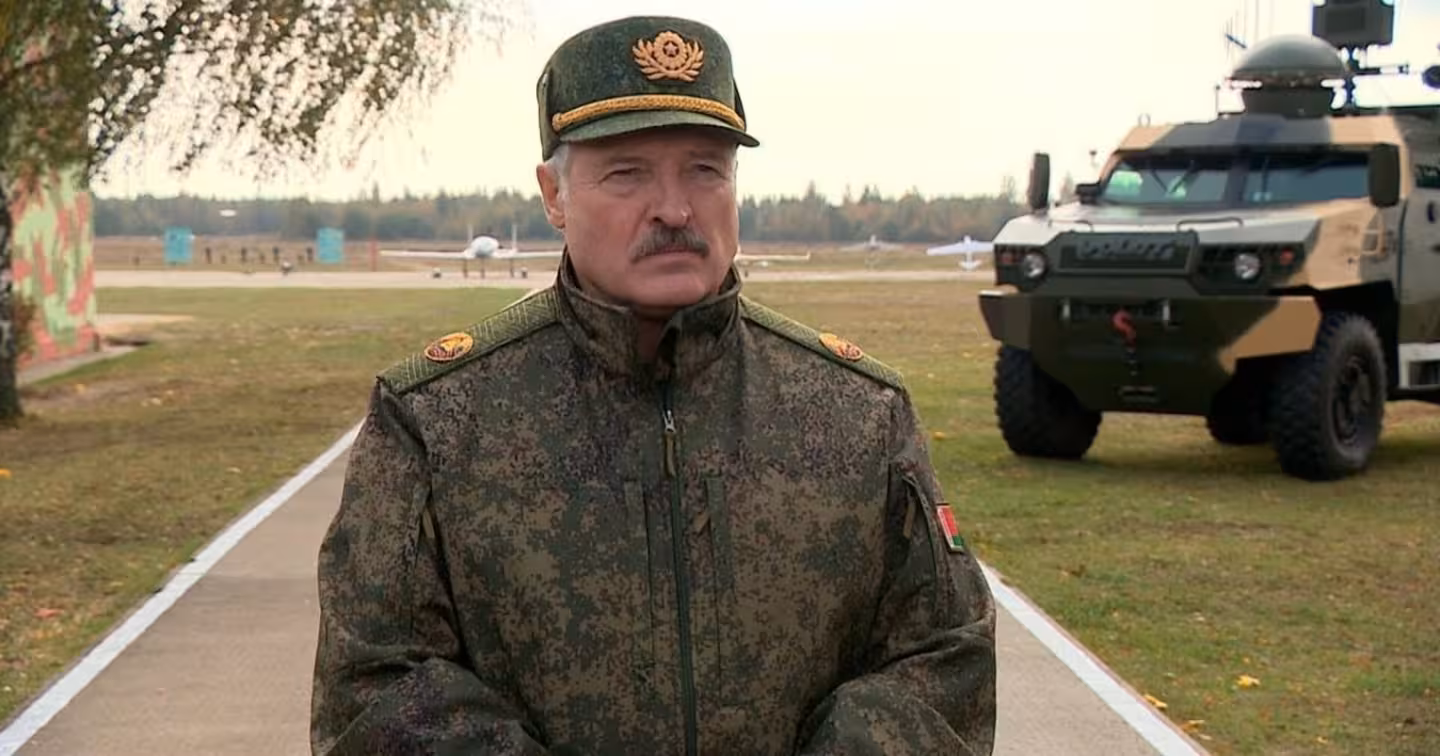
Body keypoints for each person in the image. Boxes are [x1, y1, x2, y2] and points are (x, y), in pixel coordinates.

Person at [311, 14, 996, 756]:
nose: (674, 209)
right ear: (554, 195)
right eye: (627, 173)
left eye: (705, 169)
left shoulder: (855, 413)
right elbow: (375, 684)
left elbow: (944, 654)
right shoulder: (439, 420)